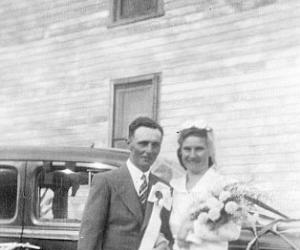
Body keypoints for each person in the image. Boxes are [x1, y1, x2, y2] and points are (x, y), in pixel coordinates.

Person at [78, 117, 173, 250]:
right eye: (143, 143)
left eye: (155, 144)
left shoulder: (164, 188)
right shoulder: (106, 182)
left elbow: (167, 233)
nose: (149, 150)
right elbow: (89, 237)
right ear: (129, 143)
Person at [169, 121, 241, 250]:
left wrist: (193, 227)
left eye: (199, 149)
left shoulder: (225, 185)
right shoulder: (173, 186)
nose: (192, 155)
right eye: (187, 149)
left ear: (209, 150)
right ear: (180, 151)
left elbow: (233, 231)